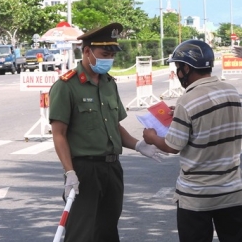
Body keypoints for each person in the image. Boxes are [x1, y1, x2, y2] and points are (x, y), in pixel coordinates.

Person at [49, 22, 166, 242]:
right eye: (105, 53)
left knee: (107, 231)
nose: (109, 59)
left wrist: (138, 146)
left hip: (112, 168)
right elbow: (59, 134)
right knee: (81, 233)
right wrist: (70, 172)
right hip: (84, 170)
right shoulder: (66, 86)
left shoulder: (109, 83)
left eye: (112, 54)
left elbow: (114, 126)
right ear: (87, 51)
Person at [143, 39, 242, 242]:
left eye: (178, 67)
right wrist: (182, 116)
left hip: (197, 196)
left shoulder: (187, 100)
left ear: (187, 68)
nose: (177, 73)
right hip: (232, 191)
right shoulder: (231, 91)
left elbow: (172, 146)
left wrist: (152, 137)